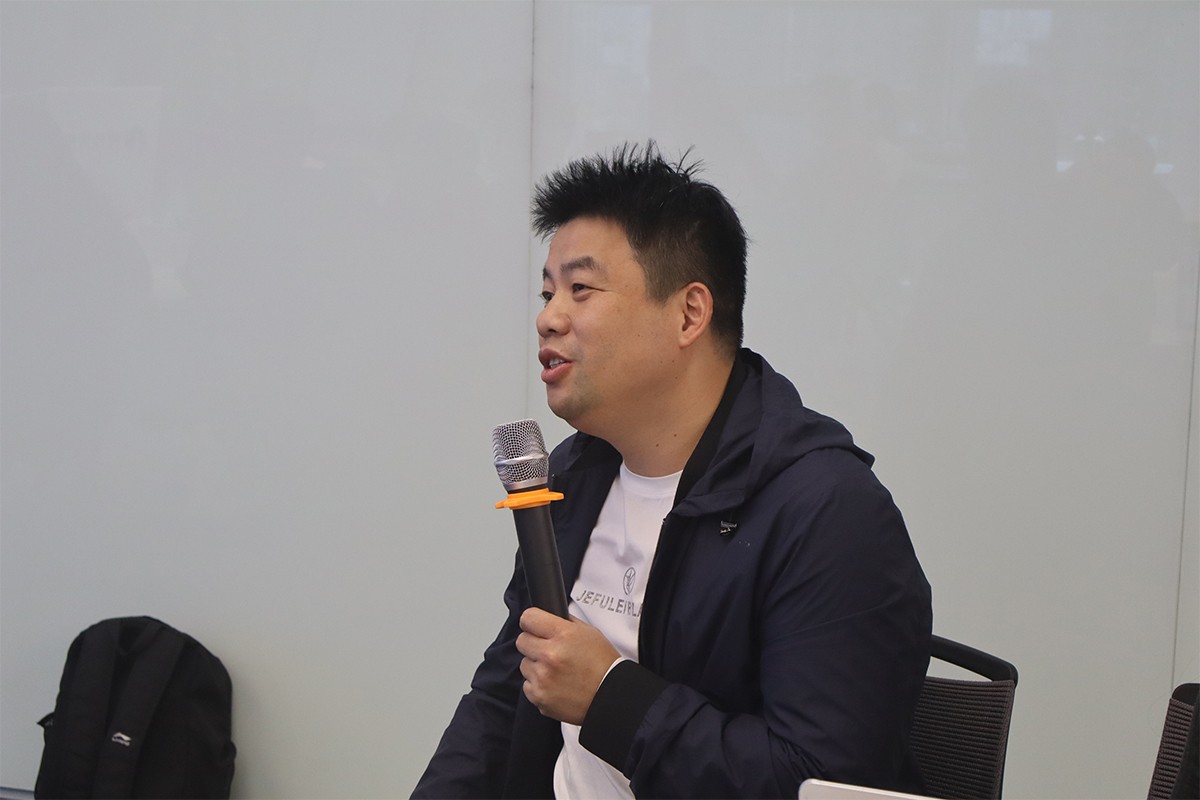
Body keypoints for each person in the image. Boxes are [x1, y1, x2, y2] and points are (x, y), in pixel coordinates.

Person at [412, 142, 932, 799]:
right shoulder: (573, 475)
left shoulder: (826, 510)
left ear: (689, 313)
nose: (547, 317)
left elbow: (821, 781)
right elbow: (500, 702)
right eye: (547, 293)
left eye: (580, 289)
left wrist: (610, 698)